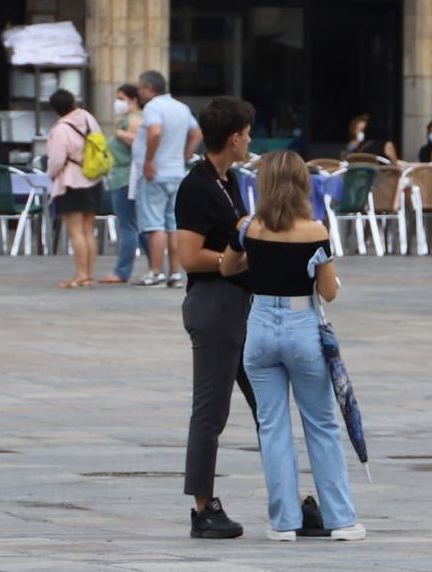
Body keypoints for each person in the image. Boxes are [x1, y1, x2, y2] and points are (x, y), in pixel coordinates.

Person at [219, 150, 365, 542]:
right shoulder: (315, 230)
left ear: (264, 184)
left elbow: (226, 267)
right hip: (302, 325)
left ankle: (284, 521)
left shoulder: (249, 227)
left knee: (272, 426)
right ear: (303, 184)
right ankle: (340, 519)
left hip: (261, 324)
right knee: (320, 424)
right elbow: (328, 291)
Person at [175, 96, 260, 539]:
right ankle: (203, 507)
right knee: (210, 412)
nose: (250, 139)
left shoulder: (231, 180)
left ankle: (289, 496)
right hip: (213, 304)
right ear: (234, 136)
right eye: (247, 132)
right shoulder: (197, 186)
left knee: (268, 406)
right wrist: (237, 261)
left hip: (240, 304)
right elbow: (188, 256)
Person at [133, 70, 203, 288]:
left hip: (156, 173)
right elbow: (197, 134)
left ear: (149, 89)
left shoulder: (153, 107)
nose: (139, 93)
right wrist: (184, 156)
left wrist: (149, 161)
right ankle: (174, 272)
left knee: (155, 225)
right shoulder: (181, 107)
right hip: (176, 172)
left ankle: (155, 272)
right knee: (173, 225)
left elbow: (154, 132)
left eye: (140, 89)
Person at [46, 89, 104, 289]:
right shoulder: (88, 118)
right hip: (93, 179)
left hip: (71, 181)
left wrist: (50, 175)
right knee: (88, 230)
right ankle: (88, 274)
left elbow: (56, 160)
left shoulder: (60, 129)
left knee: (76, 231)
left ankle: (80, 275)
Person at [99, 84, 147, 284]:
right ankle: (156, 267)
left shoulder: (134, 119)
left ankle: (122, 271)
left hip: (125, 177)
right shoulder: (129, 119)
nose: (117, 102)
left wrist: (121, 134)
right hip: (125, 176)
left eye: (121, 98)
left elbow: (138, 141)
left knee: (128, 226)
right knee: (140, 226)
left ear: (133, 99)